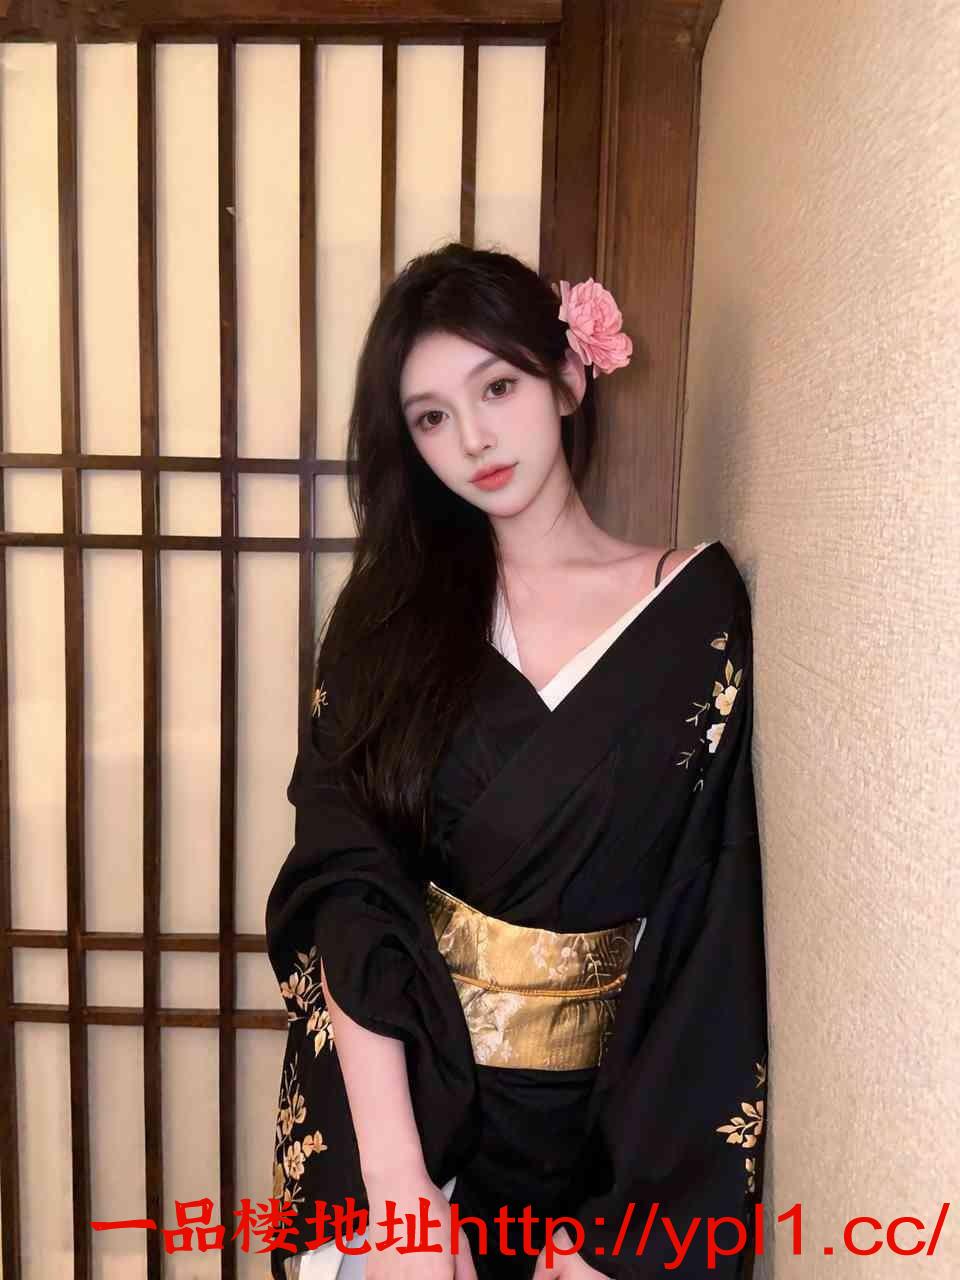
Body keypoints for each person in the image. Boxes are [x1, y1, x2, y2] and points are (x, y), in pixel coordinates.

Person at [265, 243, 769, 1280]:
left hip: (602, 1130)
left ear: (570, 376)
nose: (474, 439)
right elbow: (346, 887)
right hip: (402, 1103)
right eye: (431, 417)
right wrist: (399, 1195)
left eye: (497, 387)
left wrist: (629, 1227)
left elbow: (705, 915)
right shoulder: (384, 622)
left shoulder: (693, 613)